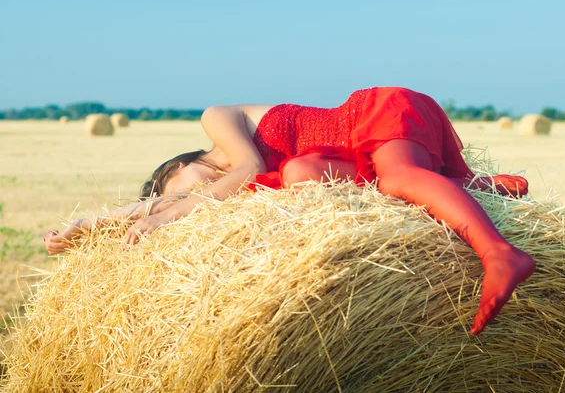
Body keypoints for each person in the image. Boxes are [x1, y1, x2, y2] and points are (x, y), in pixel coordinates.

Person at [44, 87, 535, 335]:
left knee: (394, 179)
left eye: (180, 188)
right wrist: (92, 225)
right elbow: (175, 201)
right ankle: (469, 186)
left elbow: (243, 168)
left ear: (183, 161)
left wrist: (171, 211)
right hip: (377, 150)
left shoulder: (218, 122)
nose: (194, 197)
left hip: (376, 114)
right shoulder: (255, 184)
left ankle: (499, 253)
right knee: (303, 174)